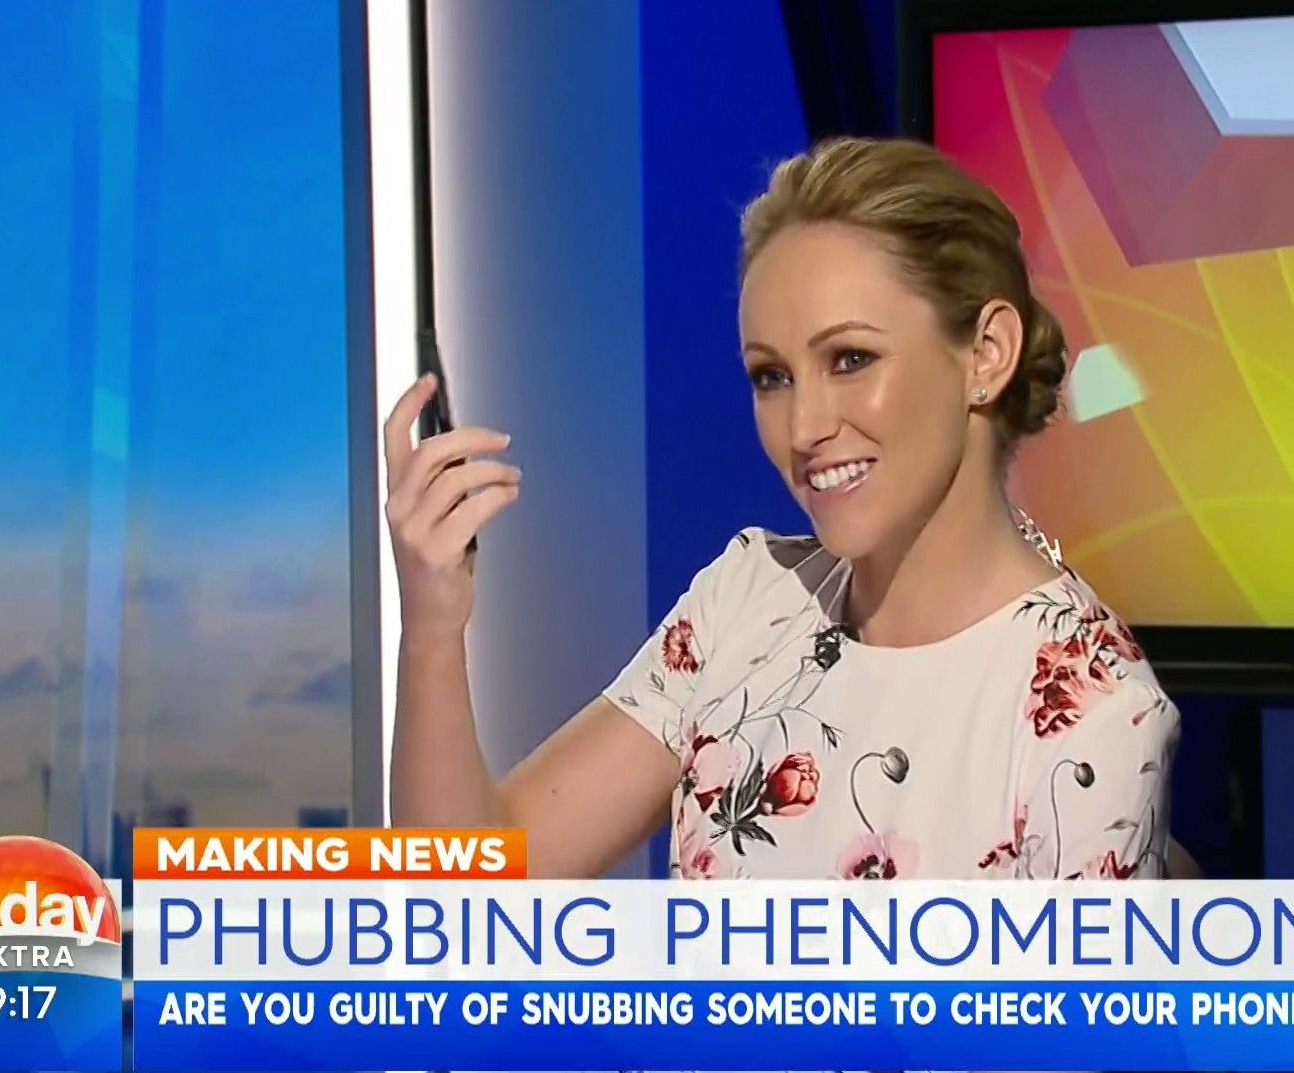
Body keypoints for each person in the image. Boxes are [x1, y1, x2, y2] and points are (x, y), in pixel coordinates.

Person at [386, 137, 1181, 883]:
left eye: (851, 359)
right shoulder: (748, 604)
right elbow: (466, 889)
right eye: (772, 377)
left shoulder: (1093, 712)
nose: (803, 428)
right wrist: (431, 627)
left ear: (986, 354)